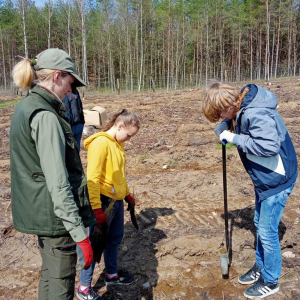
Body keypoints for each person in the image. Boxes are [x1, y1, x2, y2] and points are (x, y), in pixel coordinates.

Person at [10, 48, 96, 300]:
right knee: (60, 283)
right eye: (70, 83)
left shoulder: (26, 106)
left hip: (42, 211)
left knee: (49, 275)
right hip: (56, 219)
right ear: (57, 76)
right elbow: (58, 183)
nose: (71, 91)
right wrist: (79, 233)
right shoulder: (46, 117)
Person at [202, 82, 298, 299]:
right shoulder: (242, 105)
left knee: (267, 231)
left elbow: (267, 147)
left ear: (227, 104)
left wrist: (233, 137)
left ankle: (270, 280)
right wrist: (227, 124)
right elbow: (237, 118)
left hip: (277, 179)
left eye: (219, 114)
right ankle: (261, 266)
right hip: (265, 178)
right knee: (258, 224)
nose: (219, 118)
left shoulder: (256, 113)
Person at [76, 109, 140, 300]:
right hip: (102, 202)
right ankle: (84, 288)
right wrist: (96, 208)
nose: (128, 139)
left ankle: (111, 274)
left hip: (116, 201)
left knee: (114, 239)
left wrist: (127, 194)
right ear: (120, 126)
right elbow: (93, 179)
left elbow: (118, 174)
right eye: (128, 134)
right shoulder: (101, 143)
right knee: (95, 244)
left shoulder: (117, 144)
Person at [62, 85, 85, 150]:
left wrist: (82, 123)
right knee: (68, 151)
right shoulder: (61, 92)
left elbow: (80, 107)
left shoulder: (75, 91)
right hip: (68, 127)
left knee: (77, 150)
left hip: (78, 126)